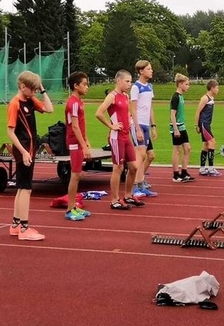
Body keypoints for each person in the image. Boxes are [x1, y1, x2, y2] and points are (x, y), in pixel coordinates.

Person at [7, 71, 54, 241]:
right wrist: (24, 151)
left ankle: (15, 225)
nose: (35, 92)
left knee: (22, 187)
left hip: (30, 149)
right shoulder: (15, 104)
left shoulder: (30, 100)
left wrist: (42, 89)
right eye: (32, 89)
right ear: (22, 87)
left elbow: (49, 109)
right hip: (24, 150)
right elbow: (10, 132)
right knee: (26, 188)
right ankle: (24, 228)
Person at [95, 69, 144, 210]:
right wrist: (111, 125)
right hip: (117, 137)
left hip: (126, 136)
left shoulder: (126, 96)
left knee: (133, 167)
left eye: (130, 81)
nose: (129, 84)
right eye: (127, 81)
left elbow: (126, 112)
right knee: (118, 168)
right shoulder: (112, 96)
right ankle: (114, 200)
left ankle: (128, 195)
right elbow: (99, 113)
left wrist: (129, 122)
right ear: (118, 81)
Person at [64, 71, 92, 221]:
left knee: (77, 174)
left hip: (78, 141)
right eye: (84, 84)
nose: (87, 87)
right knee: (75, 175)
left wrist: (86, 140)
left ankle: (73, 206)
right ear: (75, 86)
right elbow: (74, 126)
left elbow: (80, 125)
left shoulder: (79, 102)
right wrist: (84, 145)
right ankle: (70, 209)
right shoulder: (73, 103)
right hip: (74, 143)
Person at [130, 60, 158, 197]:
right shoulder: (136, 87)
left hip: (146, 124)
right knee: (140, 156)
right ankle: (136, 187)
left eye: (151, 68)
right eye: (148, 69)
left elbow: (150, 107)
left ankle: (141, 186)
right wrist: (137, 128)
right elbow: (133, 109)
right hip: (138, 124)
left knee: (144, 156)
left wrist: (153, 126)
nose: (151, 71)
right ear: (141, 71)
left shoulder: (150, 87)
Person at [170, 73, 195, 182]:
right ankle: (176, 175)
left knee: (187, 148)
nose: (188, 86)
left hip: (182, 126)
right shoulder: (175, 97)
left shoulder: (181, 96)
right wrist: (175, 129)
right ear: (180, 84)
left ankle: (184, 172)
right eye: (186, 84)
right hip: (177, 127)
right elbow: (172, 114)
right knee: (177, 150)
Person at [195, 79, 222, 176]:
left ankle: (202, 169)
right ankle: (211, 169)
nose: (218, 90)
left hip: (207, 124)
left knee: (206, 145)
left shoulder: (211, 98)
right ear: (212, 88)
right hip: (204, 124)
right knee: (212, 142)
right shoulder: (205, 98)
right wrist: (196, 125)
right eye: (217, 88)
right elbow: (198, 111)